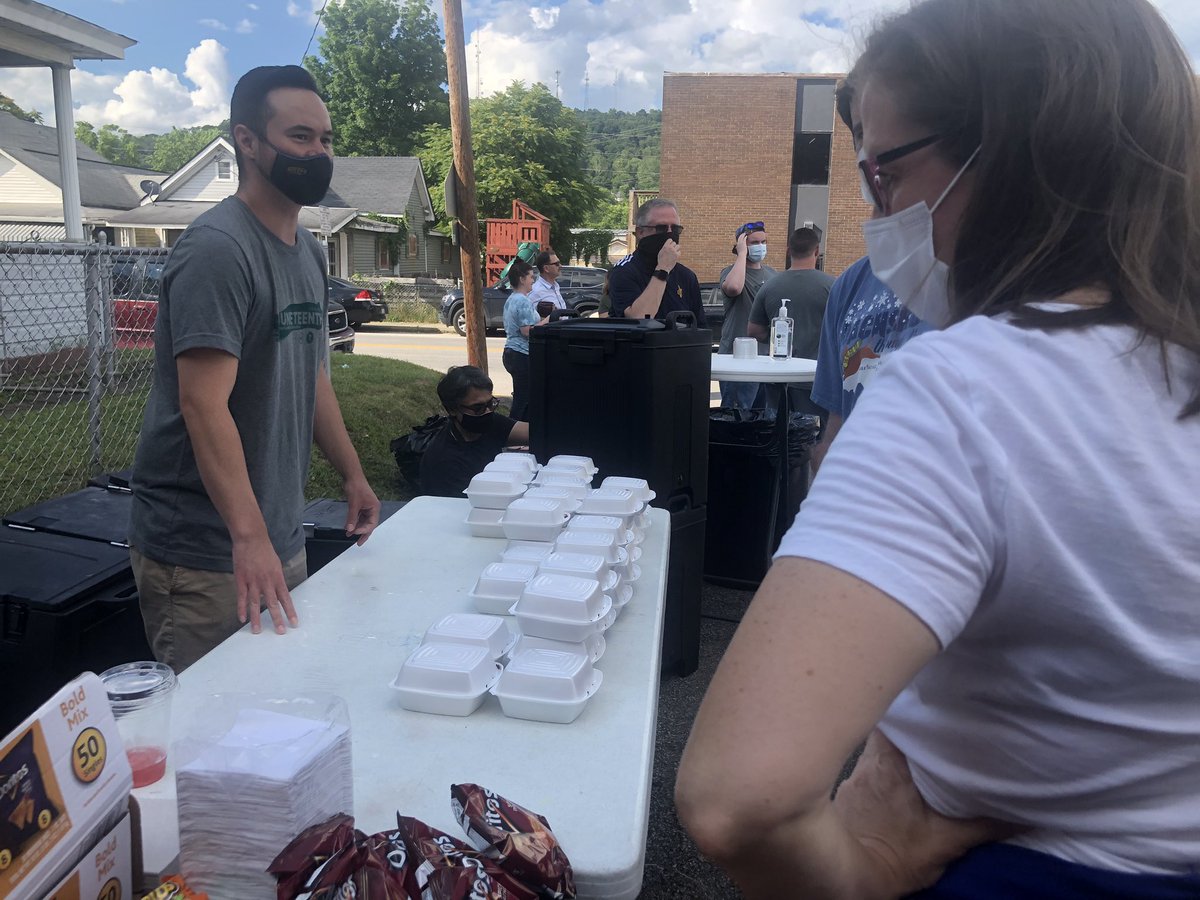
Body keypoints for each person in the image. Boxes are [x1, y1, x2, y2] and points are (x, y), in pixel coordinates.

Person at [676, 1, 1200, 897]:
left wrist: (867, 862)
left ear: (1015, 152)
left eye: (884, 170)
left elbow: (739, 801)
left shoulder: (963, 389)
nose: (876, 208)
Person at [128, 65, 380, 672]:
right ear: (247, 140)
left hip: (277, 532)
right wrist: (248, 537)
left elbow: (312, 375)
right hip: (206, 549)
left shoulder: (309, 252)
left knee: (279, 704)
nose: (317, 154)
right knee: (212, 719)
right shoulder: (218, 249)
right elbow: (202, 404)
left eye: (325, 140)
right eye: (300, 137)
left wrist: (353, 475)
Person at [808, 78, 933, 473]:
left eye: (888, 125)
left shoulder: (985, 282)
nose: (873, 148)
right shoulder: (849, 286)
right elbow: (835, 424)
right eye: (861, 132)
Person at [746, 226, 835, 417]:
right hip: (817, 379)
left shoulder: (769, 285)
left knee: (778, 430)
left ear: (789, 250)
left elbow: (754, 331)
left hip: (778, 378)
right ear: (817, 251)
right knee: (812, 432)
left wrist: (778, 339)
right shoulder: (832, 287)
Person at [419, 366, 531, 498]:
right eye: (478, 408)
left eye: (490, 404)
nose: (488, 411)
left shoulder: (490, 422)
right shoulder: (443, 459)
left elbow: (535, 433)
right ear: (452, 409)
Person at [608, 198, 706, 326]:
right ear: (640, 232)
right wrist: (663, 270)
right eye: (661, 228)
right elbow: (638, 319)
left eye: (675, 229)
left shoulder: (687, 276)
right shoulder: (623, 271)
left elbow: (700, 327)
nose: (670, 234)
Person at [714, 221, 776, 409]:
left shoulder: (772, 274)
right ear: (742, 244)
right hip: (736, 358)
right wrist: (741, 254)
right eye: (754, 242)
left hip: (766, 358)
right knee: (737, 414)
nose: (760, 246)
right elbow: (734, 288)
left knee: (763, 416)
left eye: (763, 242)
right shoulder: (730, 272)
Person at [501, 257, 547, 421]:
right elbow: (527, 331)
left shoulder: (512, 298)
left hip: (512, 352)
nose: (533, 280)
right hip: (521, 354)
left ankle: (522, 430)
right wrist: (548, 320)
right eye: (531, 276)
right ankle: (514, 431)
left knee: (523, 396)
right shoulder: (522, 300)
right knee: (523, 399)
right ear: (522, 279)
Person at [528, 248, 566, 314]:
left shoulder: (556, 286)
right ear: (546, 268)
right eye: (557, 264)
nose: (560, 266)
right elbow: (530, 317)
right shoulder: (536, 291)